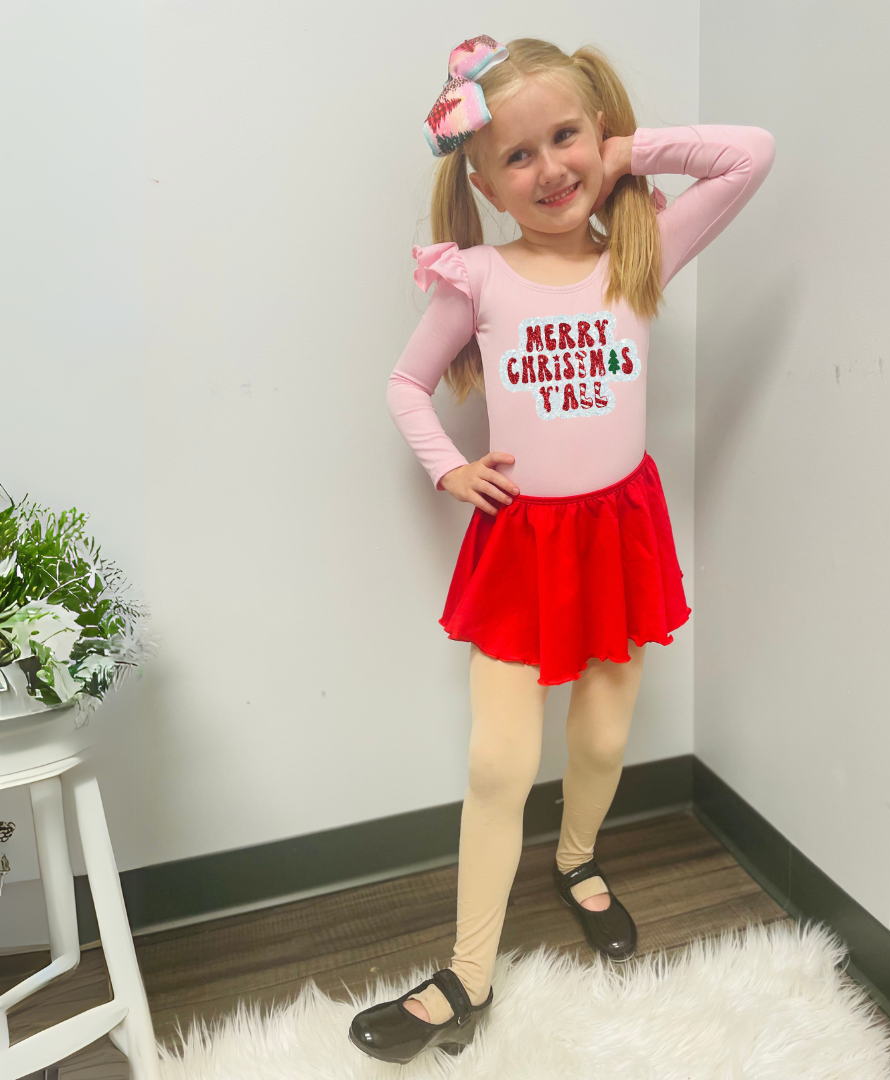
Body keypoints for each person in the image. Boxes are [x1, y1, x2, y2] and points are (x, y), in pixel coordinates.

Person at [349, 35, 775, 1064]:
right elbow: (408, 385)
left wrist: (632, 152)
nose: (550, 170)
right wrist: (447, 467)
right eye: (519, 156)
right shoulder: (478, 278)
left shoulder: (642, 251)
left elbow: (751, 153)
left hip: (617, 530)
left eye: (567, 138)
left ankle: (579, 858)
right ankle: (469, 969)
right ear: (485, 181)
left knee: (598, 737)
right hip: (523, 542)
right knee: (502, 758)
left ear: (599, 133)